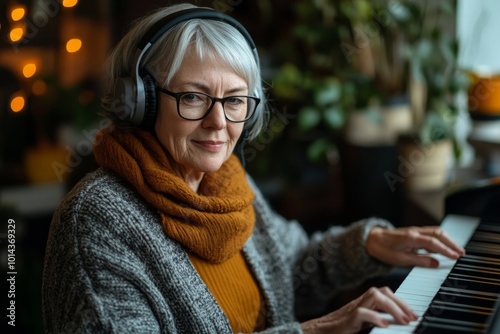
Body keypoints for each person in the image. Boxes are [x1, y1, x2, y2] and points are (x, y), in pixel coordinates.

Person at [42, 3, 466, 333]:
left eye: (235, 100)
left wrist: (370, 243)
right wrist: (313, 332)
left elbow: (293, 266)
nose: (219, 122)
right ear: (140, 102)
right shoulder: (97, 219)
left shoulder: (226, 182)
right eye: (193, 97)